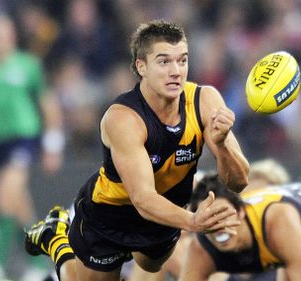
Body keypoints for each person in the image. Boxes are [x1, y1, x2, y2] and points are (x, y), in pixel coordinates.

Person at [24, 19, 249, 281]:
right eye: (164, 62)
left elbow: (239, 182)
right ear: (141, 66)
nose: (176, 71)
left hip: (165, 209)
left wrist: (221, 145)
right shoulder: (123, 118)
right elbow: (142, 199)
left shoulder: (205, 100)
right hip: (111, 214)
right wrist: (193, 222)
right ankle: (55, 238)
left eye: (183, 60)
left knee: (151, 266)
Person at [0, 15, 64, 281]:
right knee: (17, 204)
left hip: (23, 139)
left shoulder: (28, 65)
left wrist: (52, 144)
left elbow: (48, 104)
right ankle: (38, 265)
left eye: (3, 35)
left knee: (4, 195)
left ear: (12, 37)